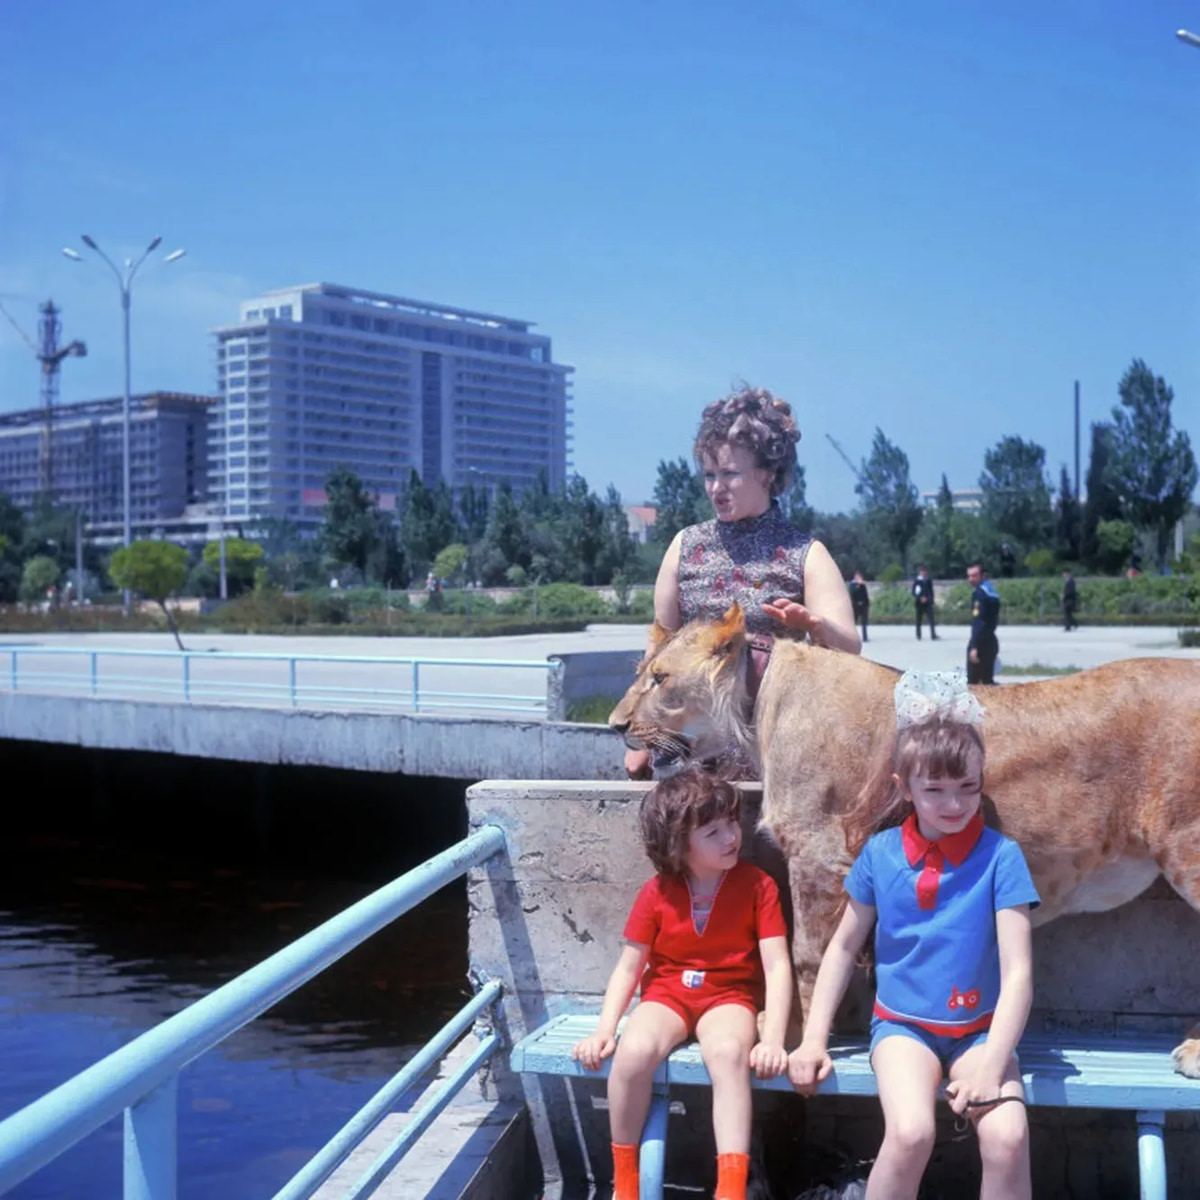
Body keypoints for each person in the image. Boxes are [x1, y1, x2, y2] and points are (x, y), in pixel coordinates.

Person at [788, 670, 1039, 1200]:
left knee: (1008, 1137)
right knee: (910, 1132)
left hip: (981, 1032)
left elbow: (1018, 972)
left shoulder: (1001, 858)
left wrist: (994, 1063)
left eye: (968, 787)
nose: (954, 804)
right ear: (905, 788)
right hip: (904, 1029)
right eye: (936, 790)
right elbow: (843, 946)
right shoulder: (879, 855)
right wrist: (814, 1038)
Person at [572, 769, 792, 1200]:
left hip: (730, 997)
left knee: (729, 1054)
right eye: (713, 832)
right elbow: (628, 968)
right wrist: (604, 1030)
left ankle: (731, 1188)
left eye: (732, 823)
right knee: (633, 1053)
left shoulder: (757, 886)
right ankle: (626, 1180)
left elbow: (778, 967)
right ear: (678, 844)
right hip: (668, 995)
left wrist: (775, 1040)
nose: (731, 836)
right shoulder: (657, 892)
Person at [626, 385, 861, 778]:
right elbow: (659, 650)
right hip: (690, 751)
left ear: (767, 475)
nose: (716, 488)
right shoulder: (684, 546)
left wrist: (814, 626)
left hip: (775, 747)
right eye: (709, 474)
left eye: (730, 474)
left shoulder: (806, 552)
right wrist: (644, 735)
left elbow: (850, 648)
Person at [966, 563, 1000, 686]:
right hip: (990, 640)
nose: (970, 579)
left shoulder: (980, 594)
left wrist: (974, 647)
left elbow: (979, 621)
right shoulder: (991, 591)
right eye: (969, 576)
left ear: (983, 576)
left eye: (974, 576)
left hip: (981, 643)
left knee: (973, 684)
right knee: (987, 681)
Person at [910, 566, 937, 640]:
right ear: (920, 572)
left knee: (931, 619)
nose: (924, 573)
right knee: (918, 619)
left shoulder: (928, 580)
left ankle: (933, 634)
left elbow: (931, 591)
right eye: (922, 571)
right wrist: (920, 598)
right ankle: (918, 635)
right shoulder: (917, 581)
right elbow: (913, 592)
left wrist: (930, 600)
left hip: (928, 602)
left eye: (925, 572)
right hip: (919, 602)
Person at [848, 571, 870, 643]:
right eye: (858, 577)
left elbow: (865, 595)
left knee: (864, 623)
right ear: (855, 577)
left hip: (863, 605)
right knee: (854, 622)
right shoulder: (852, 585)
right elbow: (852, 594)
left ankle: (865, 637)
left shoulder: (863, 585)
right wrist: (858, 586)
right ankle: (852, 637)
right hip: (855, 605)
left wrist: (867, 604)